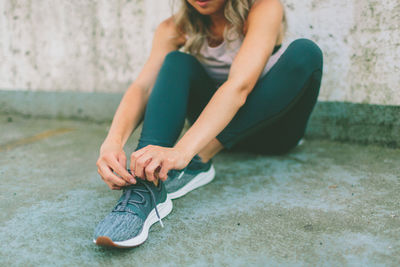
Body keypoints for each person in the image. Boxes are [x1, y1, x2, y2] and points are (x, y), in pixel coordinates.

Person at [93, 0, 323, 248]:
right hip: (211, 129)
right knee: (175, 62)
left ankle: (197, 160)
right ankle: (147, 182)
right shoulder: (174, 29)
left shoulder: (264, 8)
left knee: (305, 52)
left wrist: (183, 151)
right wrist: (112, 142)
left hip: (272, 134)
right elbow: (143, 87)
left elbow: (239, 87)